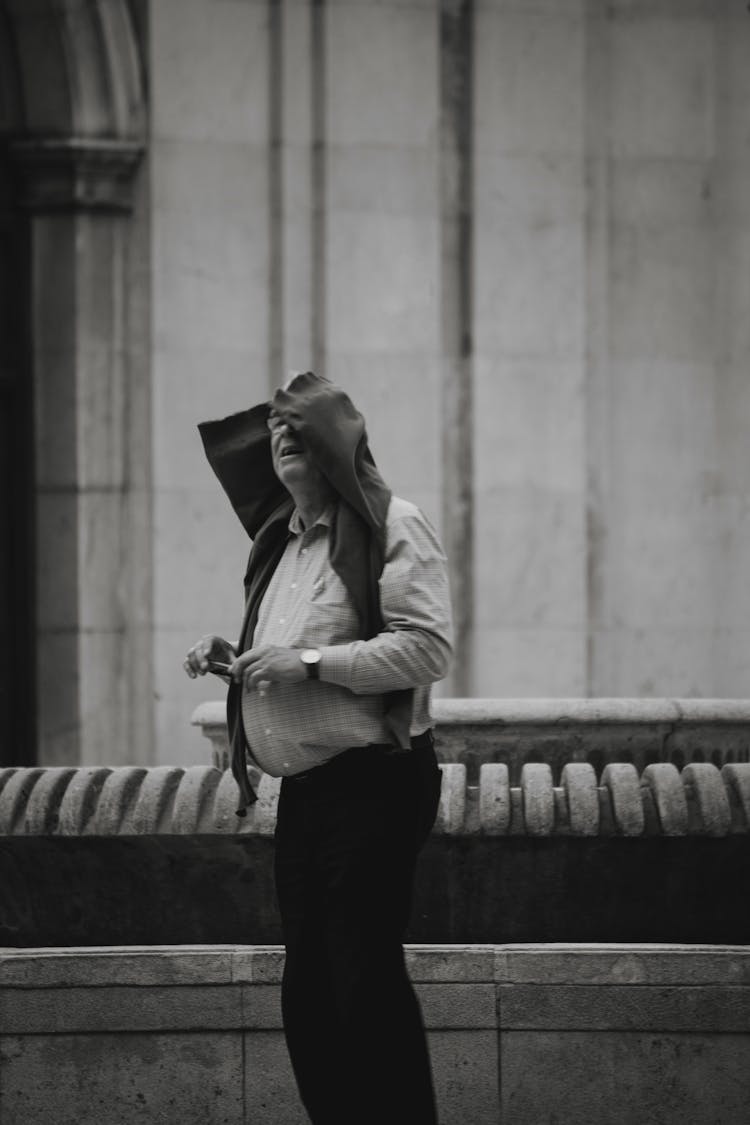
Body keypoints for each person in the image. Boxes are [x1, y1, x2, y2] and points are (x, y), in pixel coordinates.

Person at [184, 371, 453, 1125]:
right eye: (272, 434)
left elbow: (426, 649)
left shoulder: (393, 523)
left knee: (361, 981)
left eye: (297, 431)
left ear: (334, 444)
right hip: (306, 795)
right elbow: (286, 651)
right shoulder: (285, 545)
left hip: (376, 782)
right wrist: (236, 654)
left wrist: (304, 663)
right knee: (307, 994)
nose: (280, 442)